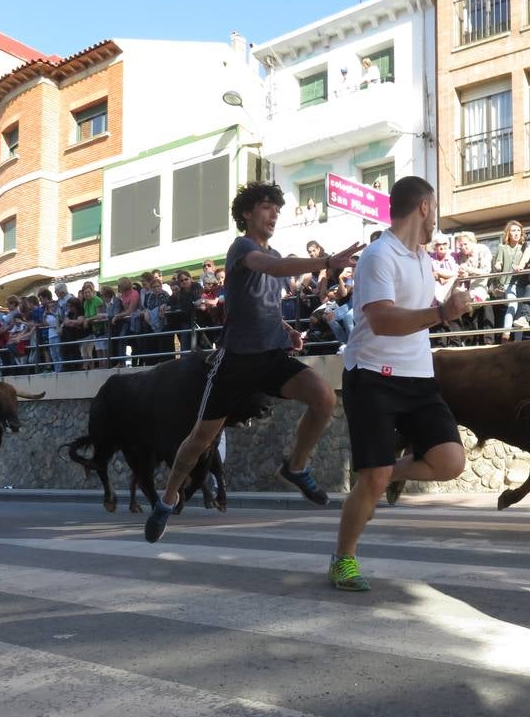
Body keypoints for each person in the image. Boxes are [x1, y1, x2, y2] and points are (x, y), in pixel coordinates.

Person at [144, 182, 362, 543]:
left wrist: (286, 328)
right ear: (247, 213)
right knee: (199, 439)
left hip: (272, 356)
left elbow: (262, 304)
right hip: (236, 363)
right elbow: (275, 268)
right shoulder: (242, 248)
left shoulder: (272, 251)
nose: (274, 213)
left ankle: (295, 467)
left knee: (324, 399)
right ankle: (167, 499)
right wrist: (325, 261)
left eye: (277, 208)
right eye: (266, 207)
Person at [329, 177, 470, 591]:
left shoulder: (423, 259)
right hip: (372, 377)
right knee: (370, 478)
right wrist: (443, 313)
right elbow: (384, 320)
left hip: (418, 377)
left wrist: (444, 308)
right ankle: (343, 559)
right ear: (424, 206)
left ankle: (389, 474)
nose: (436, 220)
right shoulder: (378, 255)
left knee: (450, 462)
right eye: (436, 207)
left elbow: (413, 316)